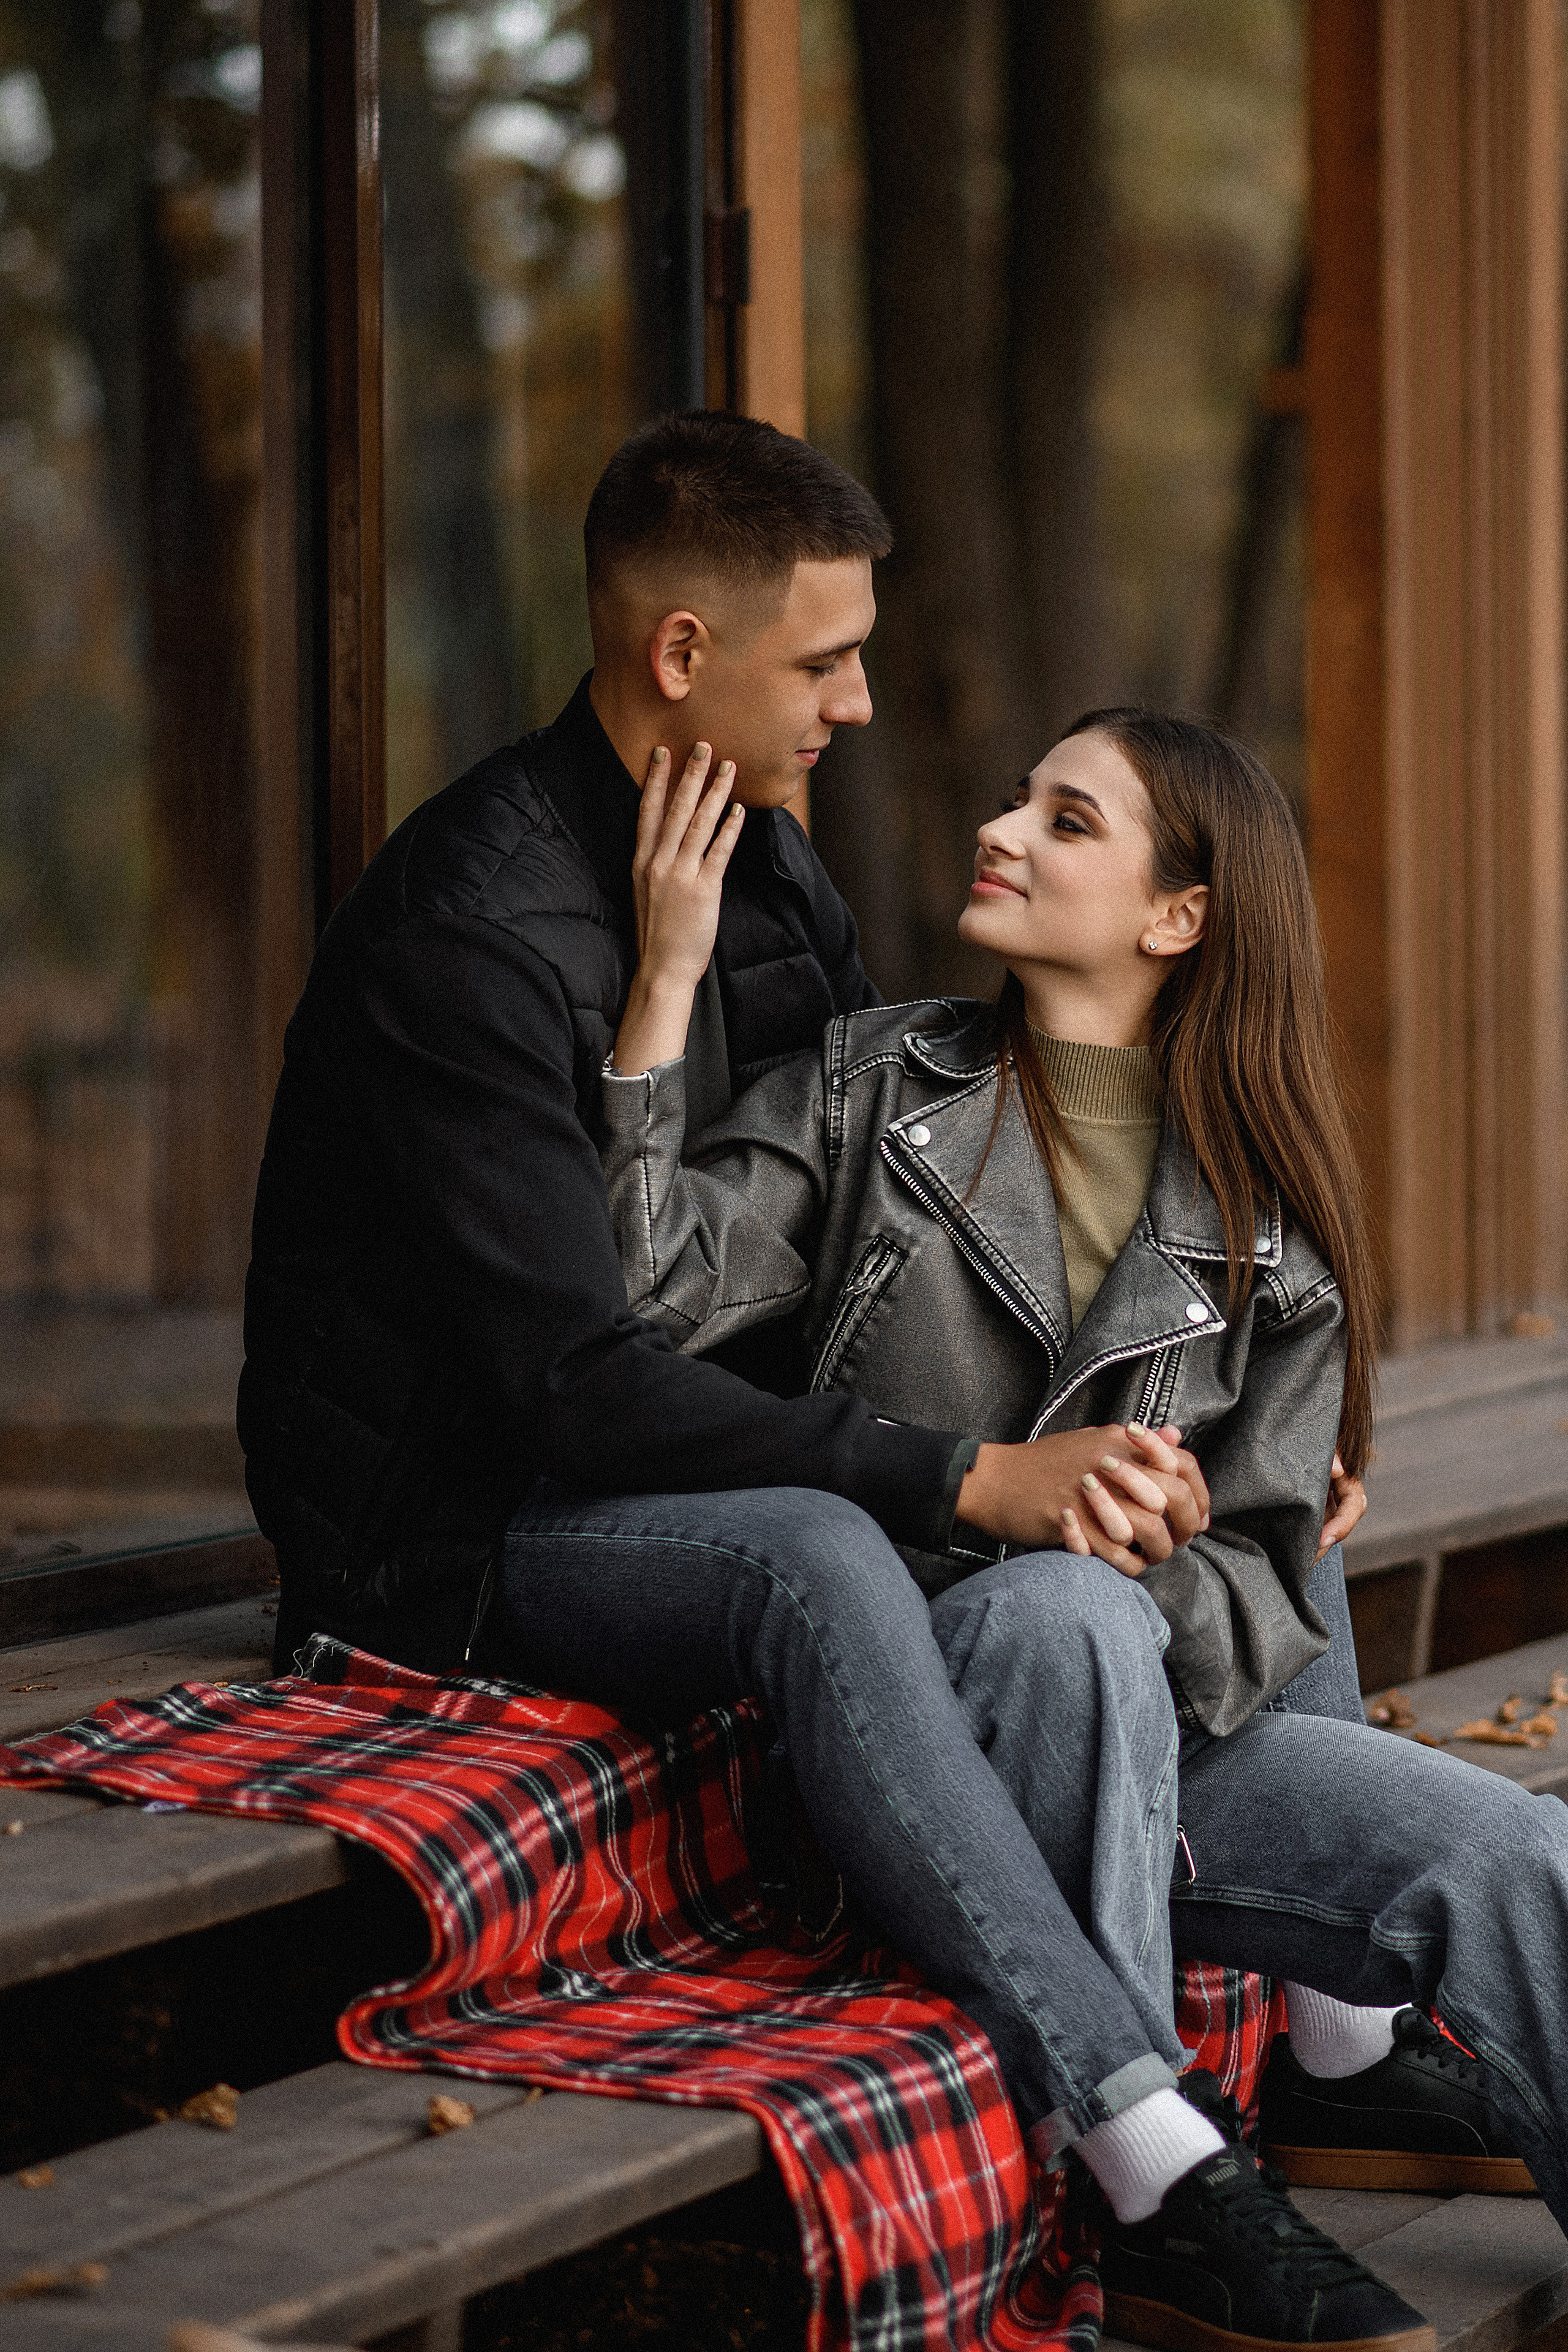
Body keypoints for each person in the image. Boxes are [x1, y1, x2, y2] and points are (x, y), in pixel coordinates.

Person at [580, 711, 1568, 2352]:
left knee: (1524, 1857)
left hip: (1172, 1753)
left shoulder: (1267, 1228)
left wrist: (1175, 1536)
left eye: (1066, 818)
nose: (1003, 827)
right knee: (1064, 1618)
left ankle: (1318, 2074)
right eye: (1019, 800)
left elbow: (1272, 1598)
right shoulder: (873, 1084)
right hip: (914, 1713)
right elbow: (639, 1311)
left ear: (1176, 918)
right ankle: (1146, 2206)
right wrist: (661, 994)